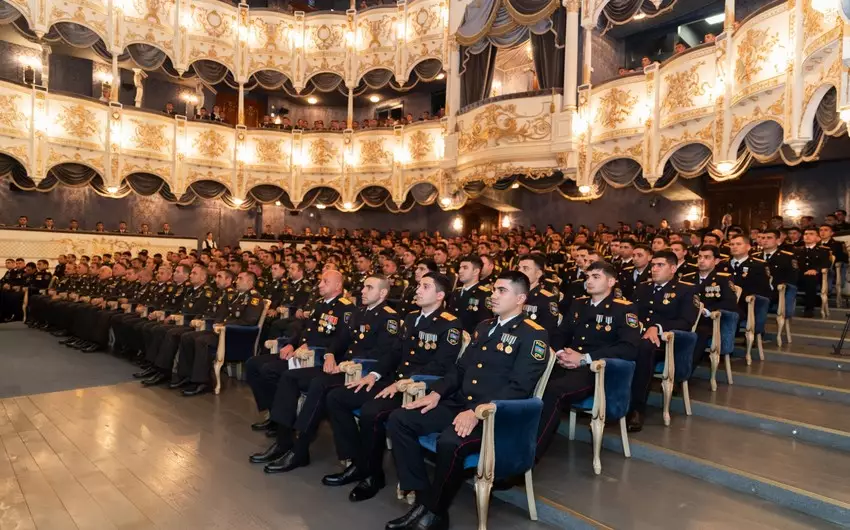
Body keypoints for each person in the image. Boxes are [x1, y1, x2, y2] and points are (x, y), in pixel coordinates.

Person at [384, 271, 549, 530]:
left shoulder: (533, 335)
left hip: (493, 417)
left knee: (450, 442)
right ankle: (426, 500)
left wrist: (475, 412)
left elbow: (520, 387)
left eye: (501, 291)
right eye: (493, 289)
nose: (493, 295)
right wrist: (436, 393)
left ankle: (432, 513)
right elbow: (460, 370)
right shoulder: (484, 327)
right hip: (459, 403)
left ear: (521, 298)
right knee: (399, 419)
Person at [322, 272, 461, 502]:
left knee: (371, 412)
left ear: (439, 295)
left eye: (425, 287)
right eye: (418, 285)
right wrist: (374, 374)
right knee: (337, 397)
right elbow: (395, 353)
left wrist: (402, 382)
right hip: (393, 382)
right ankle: (356, 461)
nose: (417, 290)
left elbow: (441, 365)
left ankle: (373, 475)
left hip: (416, 390)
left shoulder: (449, 324)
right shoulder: (410, 318)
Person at [251, 274, 402, 474]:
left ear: (382, 293)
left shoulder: (389, 317)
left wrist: (349, 363)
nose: (362, 291)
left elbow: (385, 354)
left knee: (319, 384)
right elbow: (342, 339)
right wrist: (331, 353)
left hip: (360, 373)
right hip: (342, 367)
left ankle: (300, 449)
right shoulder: (360, 313)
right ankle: (283, 441)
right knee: (289, 377)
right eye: (363, 287)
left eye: (369, 288)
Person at [536, 261, 640, 460]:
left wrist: (584, 358)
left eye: (596, 277)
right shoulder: (579, 304)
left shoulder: (624, 309)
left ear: (611, 281)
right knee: (528, 379)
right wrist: (559, 353)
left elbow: (629, 348)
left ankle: (530, 454)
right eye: (587, 277)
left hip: (595, 371)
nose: (589, 281)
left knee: (553, 391)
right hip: (565, 363)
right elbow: (560, 333)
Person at [628, 250, 699, 432]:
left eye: (660, 265)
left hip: (667, 342)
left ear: (673, 268)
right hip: (639, 335)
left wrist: (658, 328)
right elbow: (631, 314)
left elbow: (686, 321)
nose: (654, 269)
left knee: (645, 348)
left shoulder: (686, 289)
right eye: (653, 265)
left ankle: (637, 408)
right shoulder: (642, 287)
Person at [176, 271, 264, 396]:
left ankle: (202, 382)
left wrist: (225, 325)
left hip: (235, 337)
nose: (236, 281)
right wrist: (217, 322)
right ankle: (186, 376)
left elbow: (249, 321)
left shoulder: (254, 298)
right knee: (188, 337)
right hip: (223, 332)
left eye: (240, 279)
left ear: (250, 282)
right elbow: (221, 314)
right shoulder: (237, 296)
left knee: (202, 341)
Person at [684, 245, 737, 373]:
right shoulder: (687, 278)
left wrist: (707, 311)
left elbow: (730, 302)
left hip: (709, 321)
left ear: (716, 261)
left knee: (699, 333)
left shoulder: (723, 278)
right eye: (700, 257)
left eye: (707, 257)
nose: (701, 260)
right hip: (687, 319)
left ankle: (684, 374)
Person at [449, 255, 493, 333]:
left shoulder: (484, 294)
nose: (460, 271)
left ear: (476, 271)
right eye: (460, 267)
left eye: (465, 268)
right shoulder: (456, 292)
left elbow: (485, 323)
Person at [797, 227, 831, 317]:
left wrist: (816, 269)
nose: (807, 236)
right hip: (799, 275)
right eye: (806, 234)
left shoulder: (823, 250)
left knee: (810, 279)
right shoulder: (797, 250)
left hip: (816, 276)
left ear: (818, 238)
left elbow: (826, 263)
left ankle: (809, 309)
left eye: (811, 234)